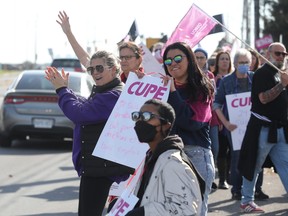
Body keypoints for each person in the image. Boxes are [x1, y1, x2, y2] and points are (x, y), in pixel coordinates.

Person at [45, 50, 134, 215]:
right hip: (98, 167)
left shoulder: (114, 94)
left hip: (101, 170)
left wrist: (62, 90)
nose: (94, 73)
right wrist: (66, 90)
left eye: (99, 68)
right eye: (91, 69)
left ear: (114, 69)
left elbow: (80, 114)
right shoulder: (106, 92)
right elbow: (86, 108)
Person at [161, 42, 215, 216]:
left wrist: (172, 92)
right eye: (168, 61)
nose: (173, 63)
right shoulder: (162, 87)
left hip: (195, 157)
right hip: (167, 157)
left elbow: (191, 121)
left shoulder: (201, 88)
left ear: (190, 59)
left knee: (194, 212)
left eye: (178, 58)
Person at [126, 99, 203, 216]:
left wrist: (144, 212)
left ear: (166, 125)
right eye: (138, 116)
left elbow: (186, 209)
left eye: (147, 116)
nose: (141, 121)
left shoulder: (173, 163)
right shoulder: (152, 156)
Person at [238, 42, 288, 213]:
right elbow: (263, 99)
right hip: (262, 128)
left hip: (280, 129)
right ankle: (246, 201)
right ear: (268, 54)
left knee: (286, 164)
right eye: (278, 53)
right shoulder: (262, 73)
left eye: (284, 54)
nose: (281, 57)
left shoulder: (282, 74)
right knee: (254, 164)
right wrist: (282, 85)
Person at [56, 11, 144, 83]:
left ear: (139, 60)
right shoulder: (114, 77)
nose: (123, 61)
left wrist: (144, 81)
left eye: (128, 57)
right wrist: (68, 32)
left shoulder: (148, 81)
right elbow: (84, 58)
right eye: (121, 57)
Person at [213, 48, 254, 200]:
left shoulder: (255, 78)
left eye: (246, 62)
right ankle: (236, 189)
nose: (244, 65)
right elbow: (216, 105)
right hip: (234, 128)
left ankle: (256, 188)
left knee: (255, 156)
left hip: (253, 126)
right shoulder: (226, 81)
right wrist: (226, 123)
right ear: (235, 63)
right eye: (241, 62)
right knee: (237, 157)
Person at [194, 47, 219, 191]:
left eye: (201, 57)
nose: (198, 60)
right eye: (196, 57)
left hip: (211, 118)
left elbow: (213, 97)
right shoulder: (188, 75)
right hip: (198, 118)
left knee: (214, 147)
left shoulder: (209, 74)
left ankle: (211, 173)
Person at [213, 51, 232, 190]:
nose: (225, 61)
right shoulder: (213, 78)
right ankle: (222, 180)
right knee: (221, 150)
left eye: (227, 59)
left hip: (234, 118)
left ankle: (230, 176)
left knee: (232, 150)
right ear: (217, 62)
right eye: (222, 59)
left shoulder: (235, 78)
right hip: (219, 119)